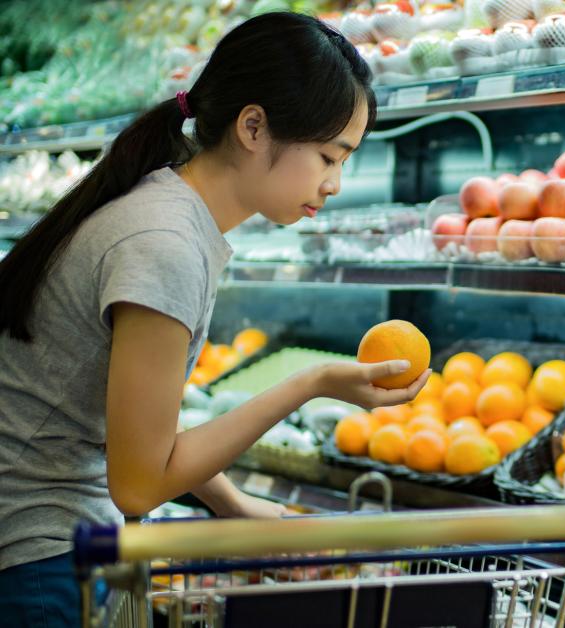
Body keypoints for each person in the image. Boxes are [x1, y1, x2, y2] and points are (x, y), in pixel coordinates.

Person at [0, 12, 429, 627]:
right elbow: (140, 485)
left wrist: (233, 504)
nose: (336, 183)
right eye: (330, 156)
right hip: (37, 561)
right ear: (254, 126)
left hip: (52, 542)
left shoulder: (166, 212)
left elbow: (142, 432)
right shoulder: (164, 242)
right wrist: (309, 385)